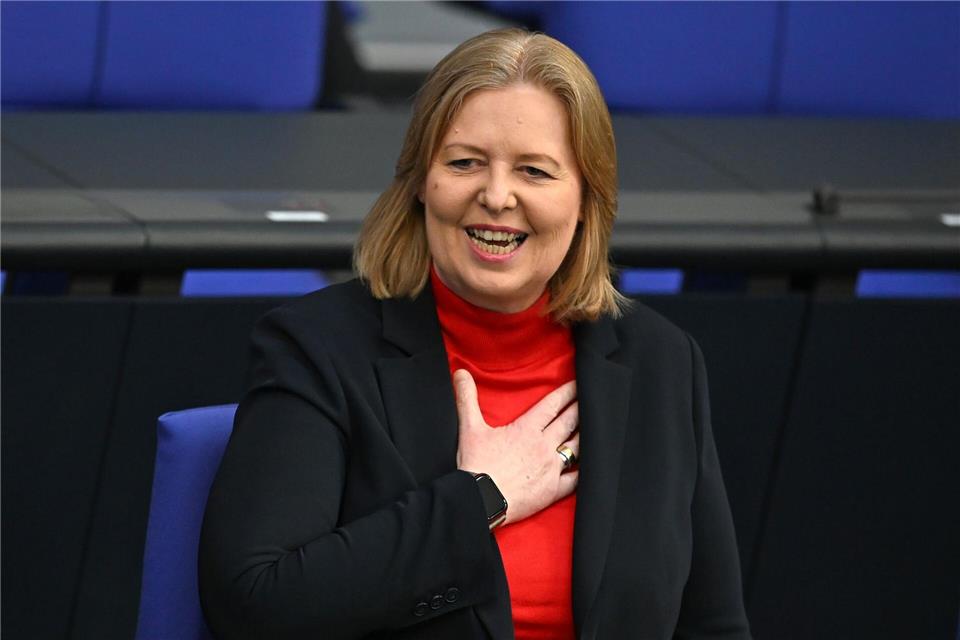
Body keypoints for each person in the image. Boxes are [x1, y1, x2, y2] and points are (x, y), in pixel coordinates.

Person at [199, 28, 751, 640]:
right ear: (420, 181)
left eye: (534, 171)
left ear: (587, 200)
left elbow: (714, 625)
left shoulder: (661, 361)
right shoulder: (318, 349)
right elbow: (255, 606)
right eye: (464, 163)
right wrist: (481, 498)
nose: (496, 196)